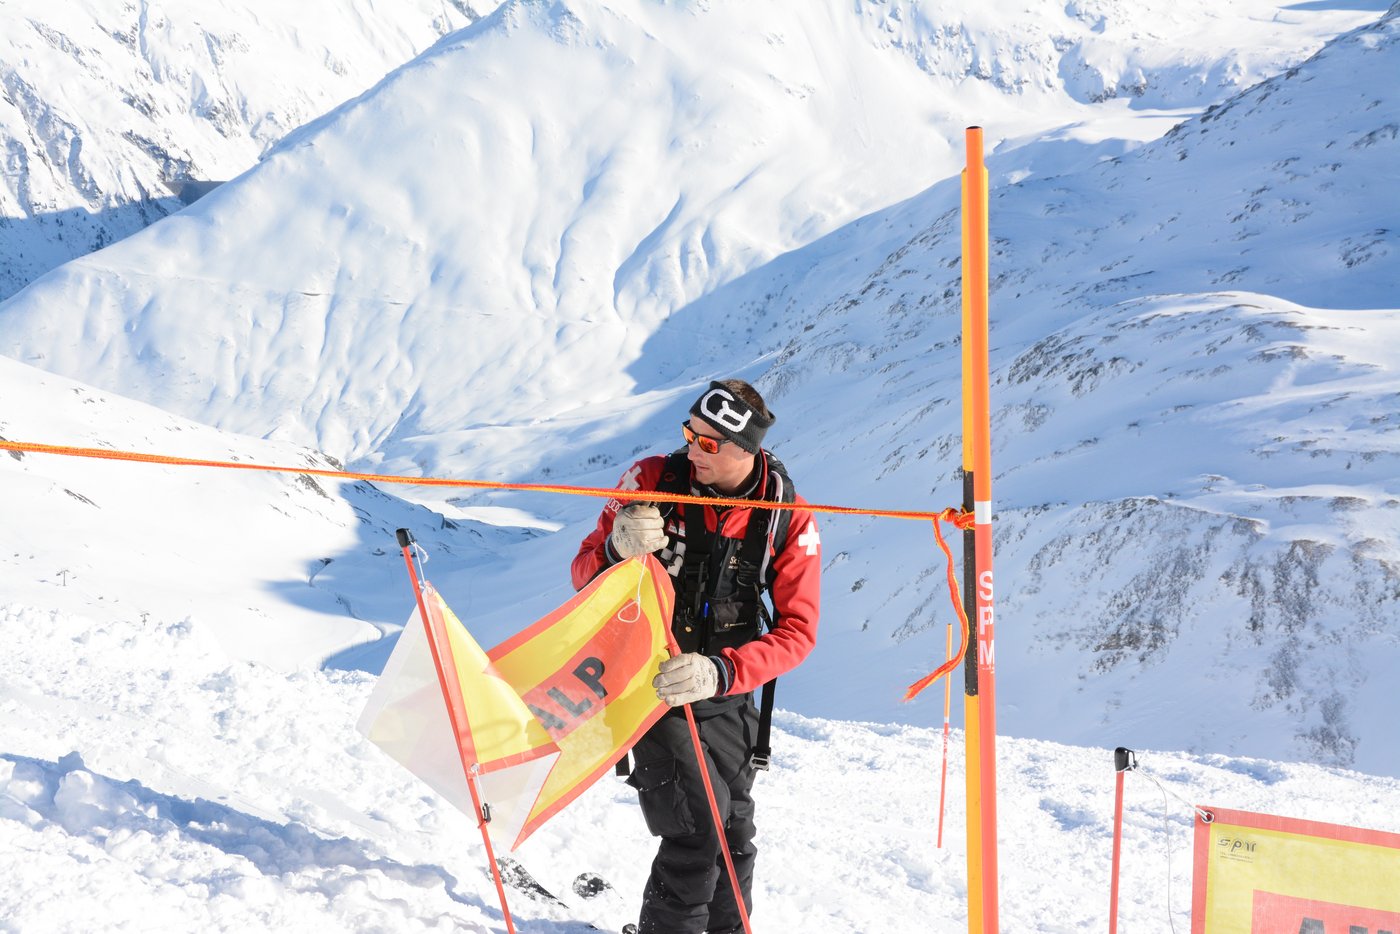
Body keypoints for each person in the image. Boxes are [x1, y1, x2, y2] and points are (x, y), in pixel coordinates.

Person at [572, 378, 822, 934]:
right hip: (646, 683)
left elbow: (799, 632)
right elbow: (582, 574)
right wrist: (617, 548)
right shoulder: (650, 480)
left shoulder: (788, 517)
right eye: (690, 434)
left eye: (709, 443)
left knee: (734, 835)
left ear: (746, 449)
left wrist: (723, 671)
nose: (692, 449)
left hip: (723, 689)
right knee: (696, 831)